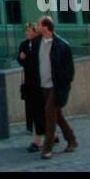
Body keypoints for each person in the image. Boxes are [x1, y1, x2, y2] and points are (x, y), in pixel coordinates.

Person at [35, 15, 77, 159]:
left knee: (49, 114)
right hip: (43, 85)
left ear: (46, 27)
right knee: (57, 115)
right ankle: (72, 140)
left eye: (38, 24)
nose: (36, 26)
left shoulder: (62, 45)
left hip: (56, 86)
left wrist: (63, 85)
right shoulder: (37, 42)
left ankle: (47, 148)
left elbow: (70, 70)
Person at [15, 22, 44, 151]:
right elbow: (21, 60)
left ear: (35, 32)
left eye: (28, 31)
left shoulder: (40, 43)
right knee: (35, 110)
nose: (26, 33)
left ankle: (37, 140)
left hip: (40, 82)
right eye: (25, 31)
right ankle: (49, 134)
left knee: (41, 110)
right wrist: (21, 58)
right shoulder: (24, 44)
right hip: (30, 81)